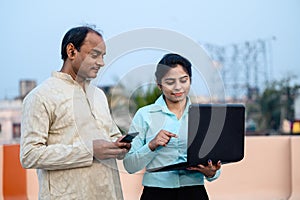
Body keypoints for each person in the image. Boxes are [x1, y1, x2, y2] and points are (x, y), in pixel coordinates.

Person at [20, 26, 131, 200]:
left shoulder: (99, 95)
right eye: (94, 55)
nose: (101, 62)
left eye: (103, 56)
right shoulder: (41, 96)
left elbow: (111, 136)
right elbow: (29, 155)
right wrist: (90, 151)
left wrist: (118, 146)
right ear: (71, 51)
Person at [123, 53, 222, 200]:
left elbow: (215, 162)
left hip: (195, 192)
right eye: (170, 82)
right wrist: (151, 145)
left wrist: (212, 172)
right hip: (156, 194)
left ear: (190, 80)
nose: (178, 87)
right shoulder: (144, 115)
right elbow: (130, 165)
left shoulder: (204, 116)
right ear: (159, 84)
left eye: (184, 80)